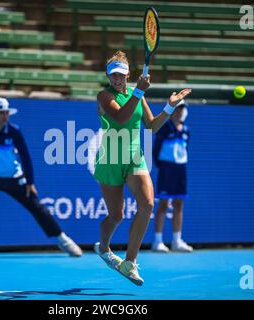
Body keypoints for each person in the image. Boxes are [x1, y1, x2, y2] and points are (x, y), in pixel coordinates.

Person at [93, 50, 191, 286]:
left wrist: (169, 107)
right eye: (113, 75)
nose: (117, 79)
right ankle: (104, 248)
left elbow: (152, 126)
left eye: (121, 75)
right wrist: (138, 92)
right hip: (110, 159)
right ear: (108, 76)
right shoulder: (104, 96)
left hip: (135, 157)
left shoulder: (138, 96)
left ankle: (129, 262)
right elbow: (120, 118)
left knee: (147, 204)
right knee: (116, 215)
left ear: (128, 75)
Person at [0, 97, 83, 258]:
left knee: (36, 205)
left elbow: (25, 156)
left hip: (13, 179)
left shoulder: (14, 131)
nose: (5, 116)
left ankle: (64, 241)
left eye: (6, 113)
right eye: (1, 113)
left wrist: (30, 182)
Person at [151, 101, 193, 253]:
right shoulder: (164, 127)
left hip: (181, 169)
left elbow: (184, 149)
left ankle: (176, 240)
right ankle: (157, 241)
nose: (180, 112)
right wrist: (162, 166)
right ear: (172, 111)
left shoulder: (186, 130)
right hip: (166, 169)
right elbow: (156, 150)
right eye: (177, 109)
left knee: (179, 204)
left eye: (182, 109)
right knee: (163, 204)